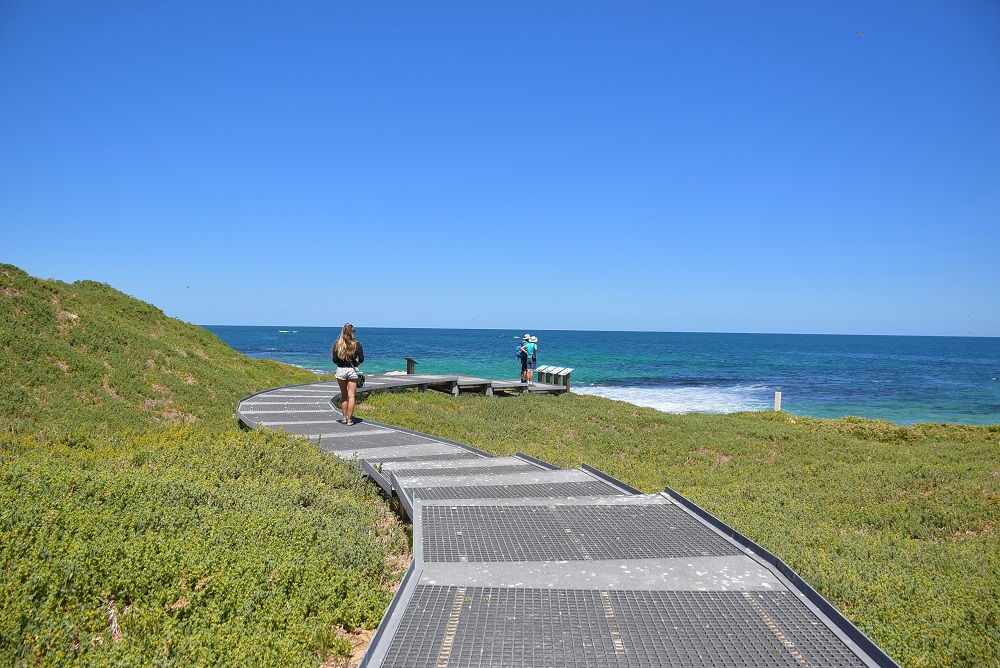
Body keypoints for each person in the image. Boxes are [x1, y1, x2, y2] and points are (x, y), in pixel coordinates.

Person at [331, 323, 364, 425]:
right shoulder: (357, 344)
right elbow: (361, 359)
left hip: (341, 370)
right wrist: (355, 364)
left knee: (344, 394)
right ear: (352, 332)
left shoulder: (338, 344)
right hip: (352, 370)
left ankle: (344, 418)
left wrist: (340, 364)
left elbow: (335, 360)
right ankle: (350, 420)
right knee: (351, 396)